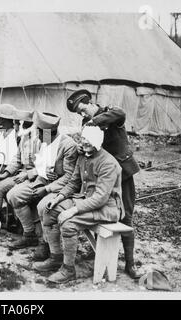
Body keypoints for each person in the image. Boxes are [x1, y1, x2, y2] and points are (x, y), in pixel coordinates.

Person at [66, 89, 141, 279]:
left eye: (83, 109)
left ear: (91, 103)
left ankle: (130, 263)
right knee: (100, 209)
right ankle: (103, 251)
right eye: (79, 113)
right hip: (102, 175)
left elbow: (121, 114)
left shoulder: (110, 113)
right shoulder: (86, 123)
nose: (82, 115)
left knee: (126, 216)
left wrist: (94, 121)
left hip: (122, 173)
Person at [35, 126, 123, 284]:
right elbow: (74, 182)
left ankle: (68, 269)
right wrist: (58, 198)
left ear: (99, 141)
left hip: (106, 208)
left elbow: (100, 198)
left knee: (68, 224)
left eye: (91, 140)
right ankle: (55, 257)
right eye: (84, 138)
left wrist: (72, 210)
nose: (86, 142)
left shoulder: (108, 163)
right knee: (49, 211)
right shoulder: (83, 156)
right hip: (84, 200)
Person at [6, 111, 78, 250]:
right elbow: (36, 164)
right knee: (14, 195)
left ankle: (46, 243)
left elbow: (69, 177)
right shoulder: (42, 141)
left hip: (58, 187)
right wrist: (40, 172)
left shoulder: (68, 145)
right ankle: (29, 235)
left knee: (45, 206)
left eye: (39, 133)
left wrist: (47, 189)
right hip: (41, 180)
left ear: (49, 132)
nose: (37, 136)